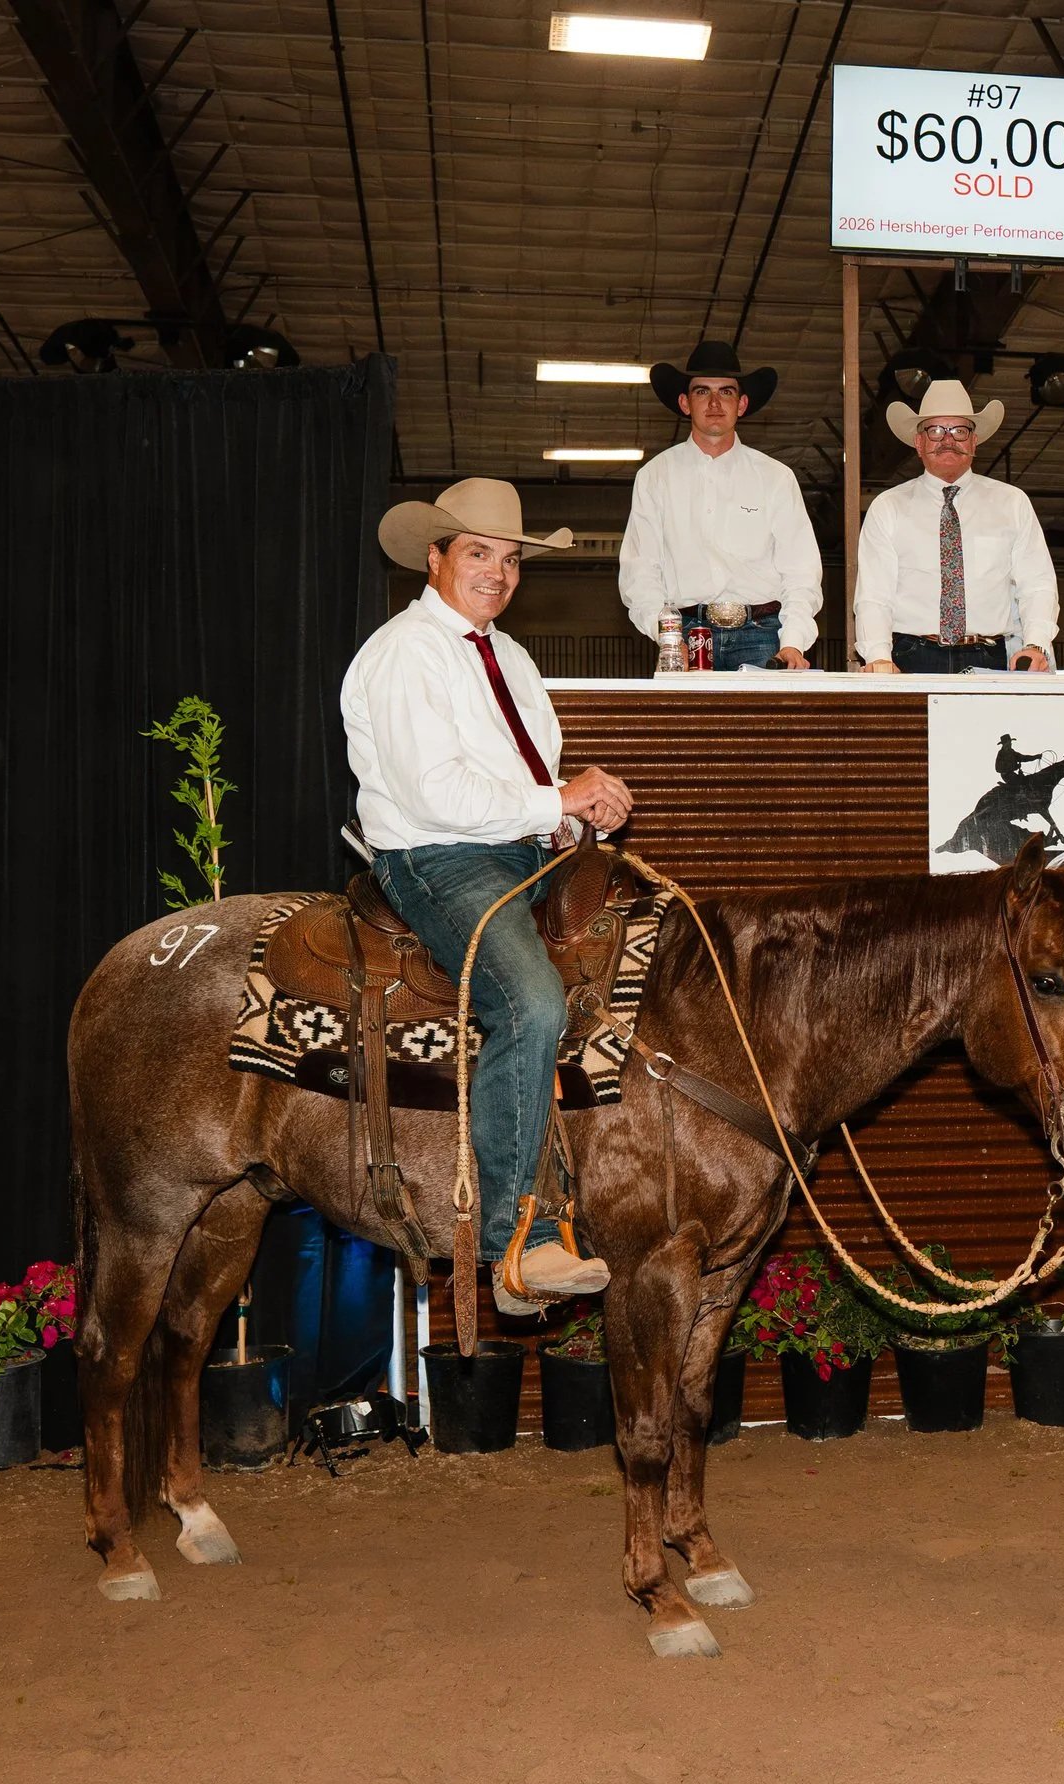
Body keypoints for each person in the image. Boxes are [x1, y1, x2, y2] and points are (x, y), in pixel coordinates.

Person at [343, 478, 633, 1313]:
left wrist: (578, 821)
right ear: (434, 559)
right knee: (534, 1004)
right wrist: (561, 800)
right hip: (438, 858)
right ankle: (521, 1239)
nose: (497, 574)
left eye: (509, 560)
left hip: (516, 852)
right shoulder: (405, 652)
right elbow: (437, 793)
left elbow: (531, 783)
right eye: (478, 554)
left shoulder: (509, 656)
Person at [620, 340, 822, 670]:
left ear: (742, 403)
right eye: (702, 392)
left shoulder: (776, 478)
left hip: (764, 637)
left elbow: (801, 571)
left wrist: (793, 643)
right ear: (685, 402)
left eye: (726, 392)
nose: (715, 403)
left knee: (765, 724)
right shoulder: (655, 476)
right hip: (686, 636)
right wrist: (670, 640)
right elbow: (640, 571)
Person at [853, 380, 1059, 674]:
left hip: (991, 656)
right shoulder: (889, 507)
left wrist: (1036, 644)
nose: (948, 440)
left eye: (959, 431)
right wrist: (878, 655)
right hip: (910, 656)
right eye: (935, 430)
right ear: (919, 442)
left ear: (974, 442)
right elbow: (874, 594)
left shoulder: (1012, 503)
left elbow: (1037, 584)